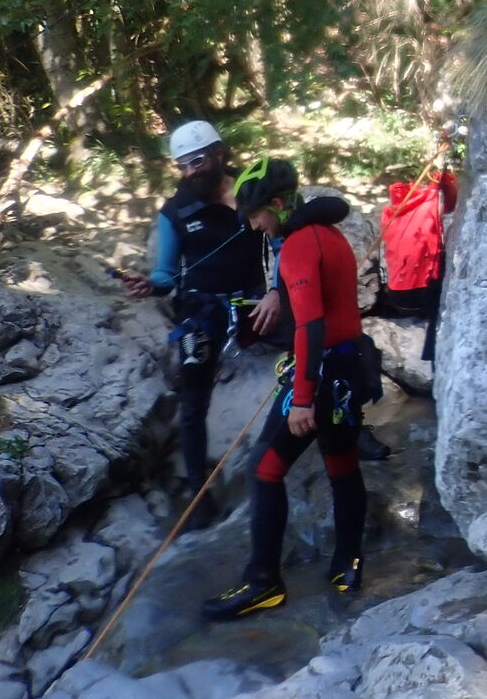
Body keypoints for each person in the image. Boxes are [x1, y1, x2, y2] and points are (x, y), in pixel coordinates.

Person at [203, 158, 369, 619]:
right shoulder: (330, 235)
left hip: (317, 379)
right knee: (342, 468)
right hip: (347, 373)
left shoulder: (298, 244)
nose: (252, 223)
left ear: (277, 203)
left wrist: (300, 397)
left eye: (256, 213)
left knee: (265, 471)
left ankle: (263, 583)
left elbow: (311, 326)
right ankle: (348, 564)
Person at [118, 120, 281, 530]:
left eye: (197, 160)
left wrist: (278, 291)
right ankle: (198, 493)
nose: (190, 171)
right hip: (202, 308)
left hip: (255, 301)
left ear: (220, 153)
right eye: (183, 165)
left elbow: (282, 240)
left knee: (313, 336)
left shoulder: (251, 192)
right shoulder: (175, 211)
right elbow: (166, 274)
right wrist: (150, 285)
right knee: (193, 398)